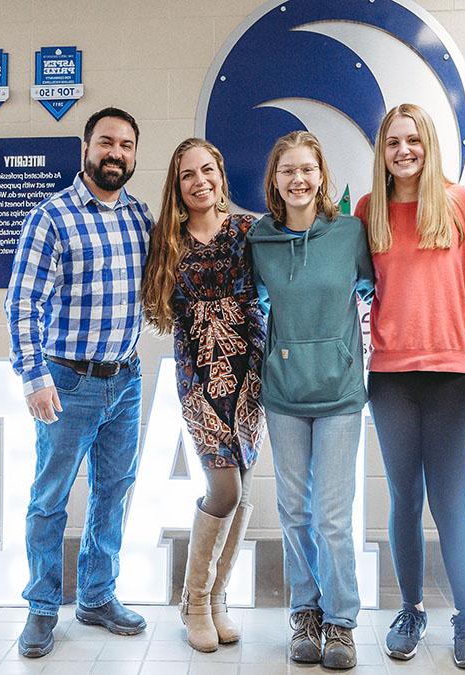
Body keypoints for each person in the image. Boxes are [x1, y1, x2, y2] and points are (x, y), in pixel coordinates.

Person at [5, 107, 153, 658]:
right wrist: (34, 376)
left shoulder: (140, 217)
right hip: (67, 382)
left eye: (127, 145)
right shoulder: (53, 217)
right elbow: (22, 302)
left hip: (127, 379)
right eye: (107, 142)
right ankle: (42, 608)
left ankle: (96, 595)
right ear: (86, 148)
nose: (116, 153)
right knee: (50, 499)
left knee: (113, 494)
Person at [354, 103, 465, 670]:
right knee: (405, 500)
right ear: (381, 153)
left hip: (451, 372)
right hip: (390, 376)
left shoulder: (456, 203)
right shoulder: (368, 211)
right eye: (392, 143)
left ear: (428, 145)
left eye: (413, 140)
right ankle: (409, 608)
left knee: (450, 503)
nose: (403, 151)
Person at [248, 131, 374, 670]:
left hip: (341, 394)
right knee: (293, 511)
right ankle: (305, 612)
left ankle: (341, 623)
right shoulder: (259, 240)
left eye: (307, 169)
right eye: (287, 171)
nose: (298, 180)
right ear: (274, 181)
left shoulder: (350, 233)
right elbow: (249, 303)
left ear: (321, 175)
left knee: (332, 516)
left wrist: (350, 350)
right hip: (283, 394)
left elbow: (370, 291)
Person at [141, 138, 266, 653]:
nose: (200, 181)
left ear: (220, 175)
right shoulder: (167, 239)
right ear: (178, 183)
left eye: (207, 170)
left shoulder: (247, 231)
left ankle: (218, 600)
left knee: (243, 487)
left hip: (250, 370)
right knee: (225, 489)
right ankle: (193, 601)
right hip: (200, 373)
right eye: (188, 173)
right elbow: (154, 305)